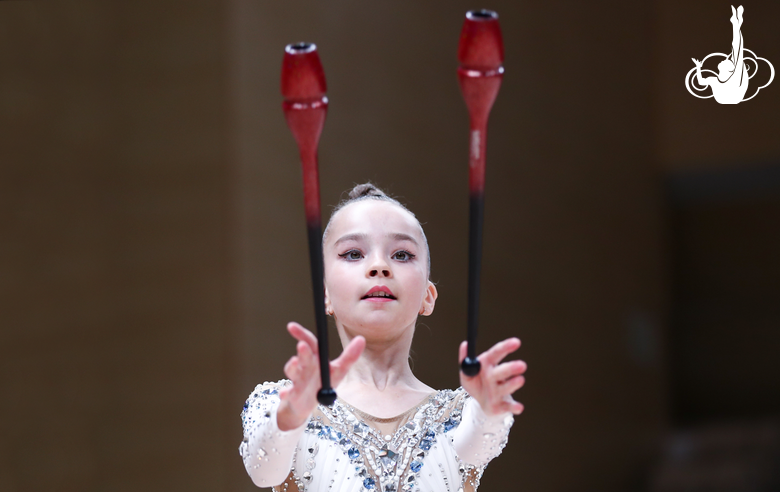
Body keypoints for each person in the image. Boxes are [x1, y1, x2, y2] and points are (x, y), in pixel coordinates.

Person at [239, 184, 527, 492]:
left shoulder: (460, 413)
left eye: (402, 254)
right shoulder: (279, 403)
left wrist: (488, 410)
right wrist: (290, 417)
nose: (379, 266)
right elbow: (264, 472)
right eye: (353, 253)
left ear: (428, 297)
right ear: (325, 295)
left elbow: (479, 443)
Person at [692, 5, 748, 104]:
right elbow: (700, 82)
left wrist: (698, 68)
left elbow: (701, 82)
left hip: (731, 96)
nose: (724, 59)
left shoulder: (719, 79)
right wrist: (698, 67)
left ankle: (736, 24)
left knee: (737, 51)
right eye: (728, 61)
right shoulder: (717, 79)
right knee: (737, 52)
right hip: (731, 97)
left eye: (727, 61)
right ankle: (736, 24)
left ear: (729, 69)